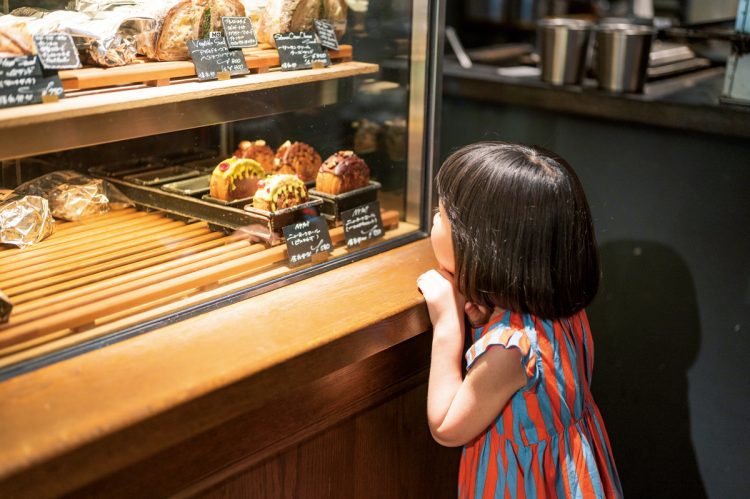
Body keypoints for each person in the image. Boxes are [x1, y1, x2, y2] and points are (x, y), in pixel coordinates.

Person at [417, 142, 622, 498]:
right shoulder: (562, 311)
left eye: (442, 215)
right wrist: (484, 317)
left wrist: (448, 324)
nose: (434, 219)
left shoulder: (511, 350)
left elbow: (446, 426)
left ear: (481, 246)